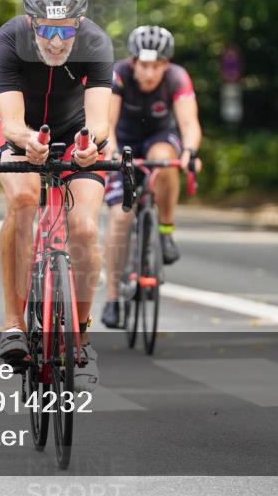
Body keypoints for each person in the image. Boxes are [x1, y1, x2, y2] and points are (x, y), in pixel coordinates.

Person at [0, 0, 113, 392]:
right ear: (31, 21)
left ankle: (81, 340)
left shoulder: (96, 41)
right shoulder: (7, 39)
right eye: (47, 28)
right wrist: (26, 142)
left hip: (73, 125)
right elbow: (13, 125)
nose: (56, 41)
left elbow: (98, 122)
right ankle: (13, 324)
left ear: (78, 23)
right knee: (22, 199)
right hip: (17, 122)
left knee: (85, 227)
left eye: (65, 28)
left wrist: (91, 145)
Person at [100, 25, 202, 329]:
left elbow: (189, 123)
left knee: (166, 161)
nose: (150, 73)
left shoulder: (176, 77)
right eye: (144, 65)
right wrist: (114, 154)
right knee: (119, 218)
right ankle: (112, 298)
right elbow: (107, 122)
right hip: (123, 141)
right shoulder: (118, 75)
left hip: (159, 137)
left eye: (157, 65)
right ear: (133, 62)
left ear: (166, 64)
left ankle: (166, 231)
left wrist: (191, 153)